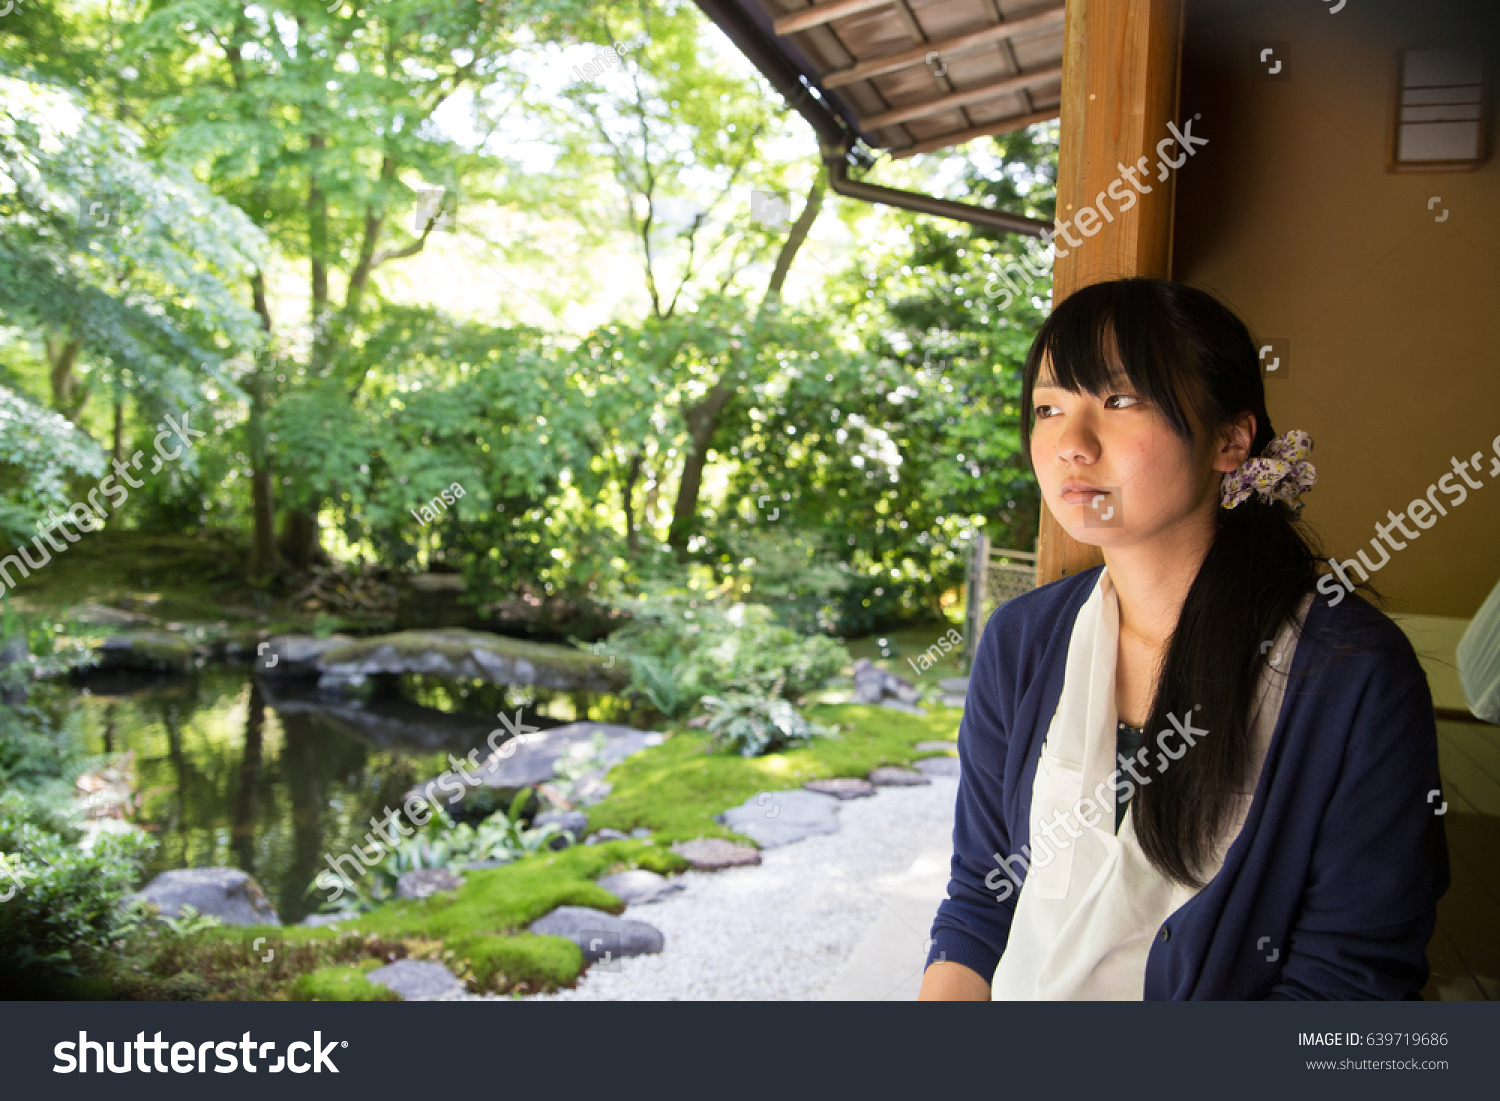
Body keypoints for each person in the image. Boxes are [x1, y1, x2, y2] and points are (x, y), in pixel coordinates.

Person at [919, 278, 1449, 1000]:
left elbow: (1348, 982)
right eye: (1049, 408)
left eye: (1120, 400)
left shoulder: (1350, 674)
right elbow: (981, 901)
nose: (1071, 444)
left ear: (1230, 438)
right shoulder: (1022, 641)